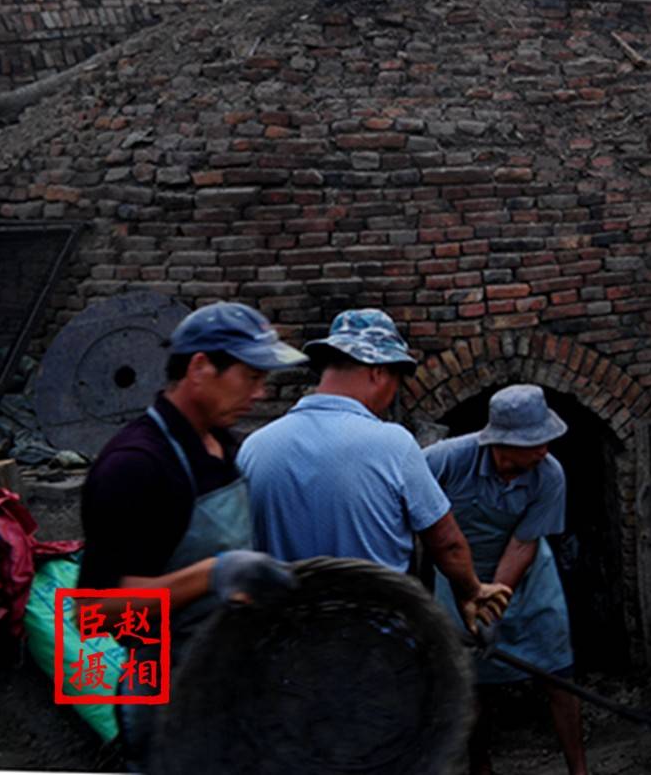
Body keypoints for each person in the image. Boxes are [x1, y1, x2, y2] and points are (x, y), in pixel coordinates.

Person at [79, 301, 306, 768]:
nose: (261, 393)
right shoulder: (135, 466)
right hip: (167, 696)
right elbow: (97, 615)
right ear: (201, 367)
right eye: (251, 376)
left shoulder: (221, 444)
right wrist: (213, 574)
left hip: (224, 675)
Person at [237, 309, 509, 632]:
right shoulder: (393, 444)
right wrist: (471, 591)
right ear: (378, 371)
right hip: (374, 643)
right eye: (396, 379)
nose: (393, 392)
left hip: (286, 640)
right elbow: (447, 543)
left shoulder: (255, 448)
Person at [425, 385, 585, 775]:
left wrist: (492, 607)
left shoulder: (550, 475)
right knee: (473, 682)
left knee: (558, 672)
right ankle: (481, 767)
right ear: (503, 442)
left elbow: (521, 545)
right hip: (458, 575)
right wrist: (470, 593)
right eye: (534, 443)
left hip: (526, 579)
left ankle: (579, 770)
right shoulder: (444, 461)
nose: (544, 450)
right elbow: (412, 509)